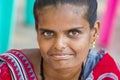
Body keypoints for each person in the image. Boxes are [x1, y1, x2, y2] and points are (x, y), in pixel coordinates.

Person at [0, 0, 120, 80]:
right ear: (37, 32)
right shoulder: (8, 72)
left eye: (74, 33)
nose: (59, 45)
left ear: (94, 32)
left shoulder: (107, 73)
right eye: (48, 33)